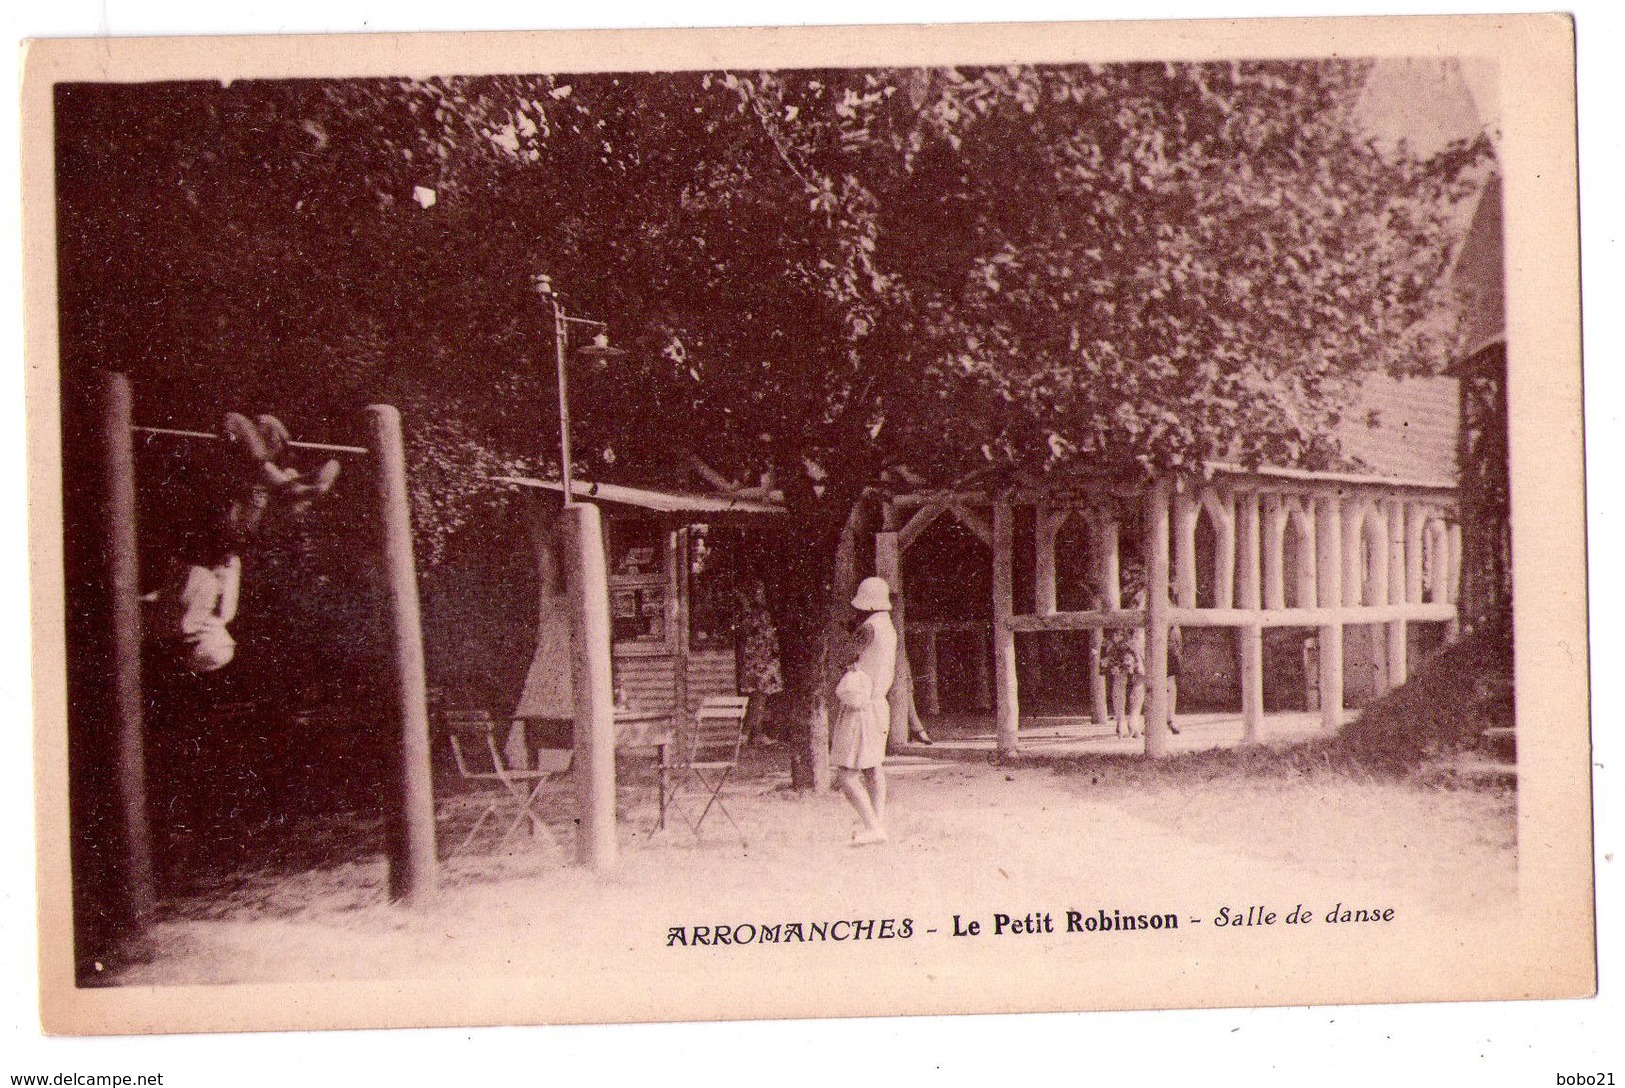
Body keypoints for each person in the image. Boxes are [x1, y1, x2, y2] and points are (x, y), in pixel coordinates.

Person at [143, 412, 339, 673]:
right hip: (222, 542)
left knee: (235, 426)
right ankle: (291, 483)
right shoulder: (210, 617)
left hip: (207, 541)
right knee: (259, 486)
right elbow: (223, 568)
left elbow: (198, 577)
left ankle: (290, 483)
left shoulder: (186, 622)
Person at [831, 576, 897, 846]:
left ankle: (872, 825)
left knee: (845, 775)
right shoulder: (889, 627)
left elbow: (843, 656)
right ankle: (877, 821)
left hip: (861, 706)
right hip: (879, 703)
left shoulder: (868, 628)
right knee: (872, 767)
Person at [733, 578, 784, 746]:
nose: (761, 595)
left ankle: (755, 733)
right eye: (758, 592)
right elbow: (766, 636)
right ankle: (747, 733)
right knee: (759, 697)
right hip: (760, 659)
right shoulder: (757, 615)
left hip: (759, 659)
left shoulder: (754, 614)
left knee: (758, 697)